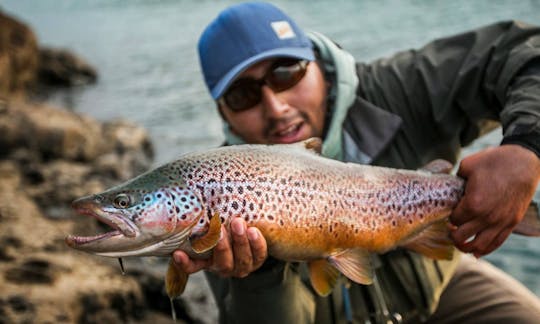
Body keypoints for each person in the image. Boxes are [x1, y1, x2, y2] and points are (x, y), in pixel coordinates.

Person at [173, 2, 540, 323]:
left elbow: (523, 50)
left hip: (437, 283)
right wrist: (257, 276)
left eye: (286, 74)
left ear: (317, 62)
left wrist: (527, 145)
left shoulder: (399, 88)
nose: (276, 107)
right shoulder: (216, 189)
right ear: (224, 113)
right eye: (243, 95)